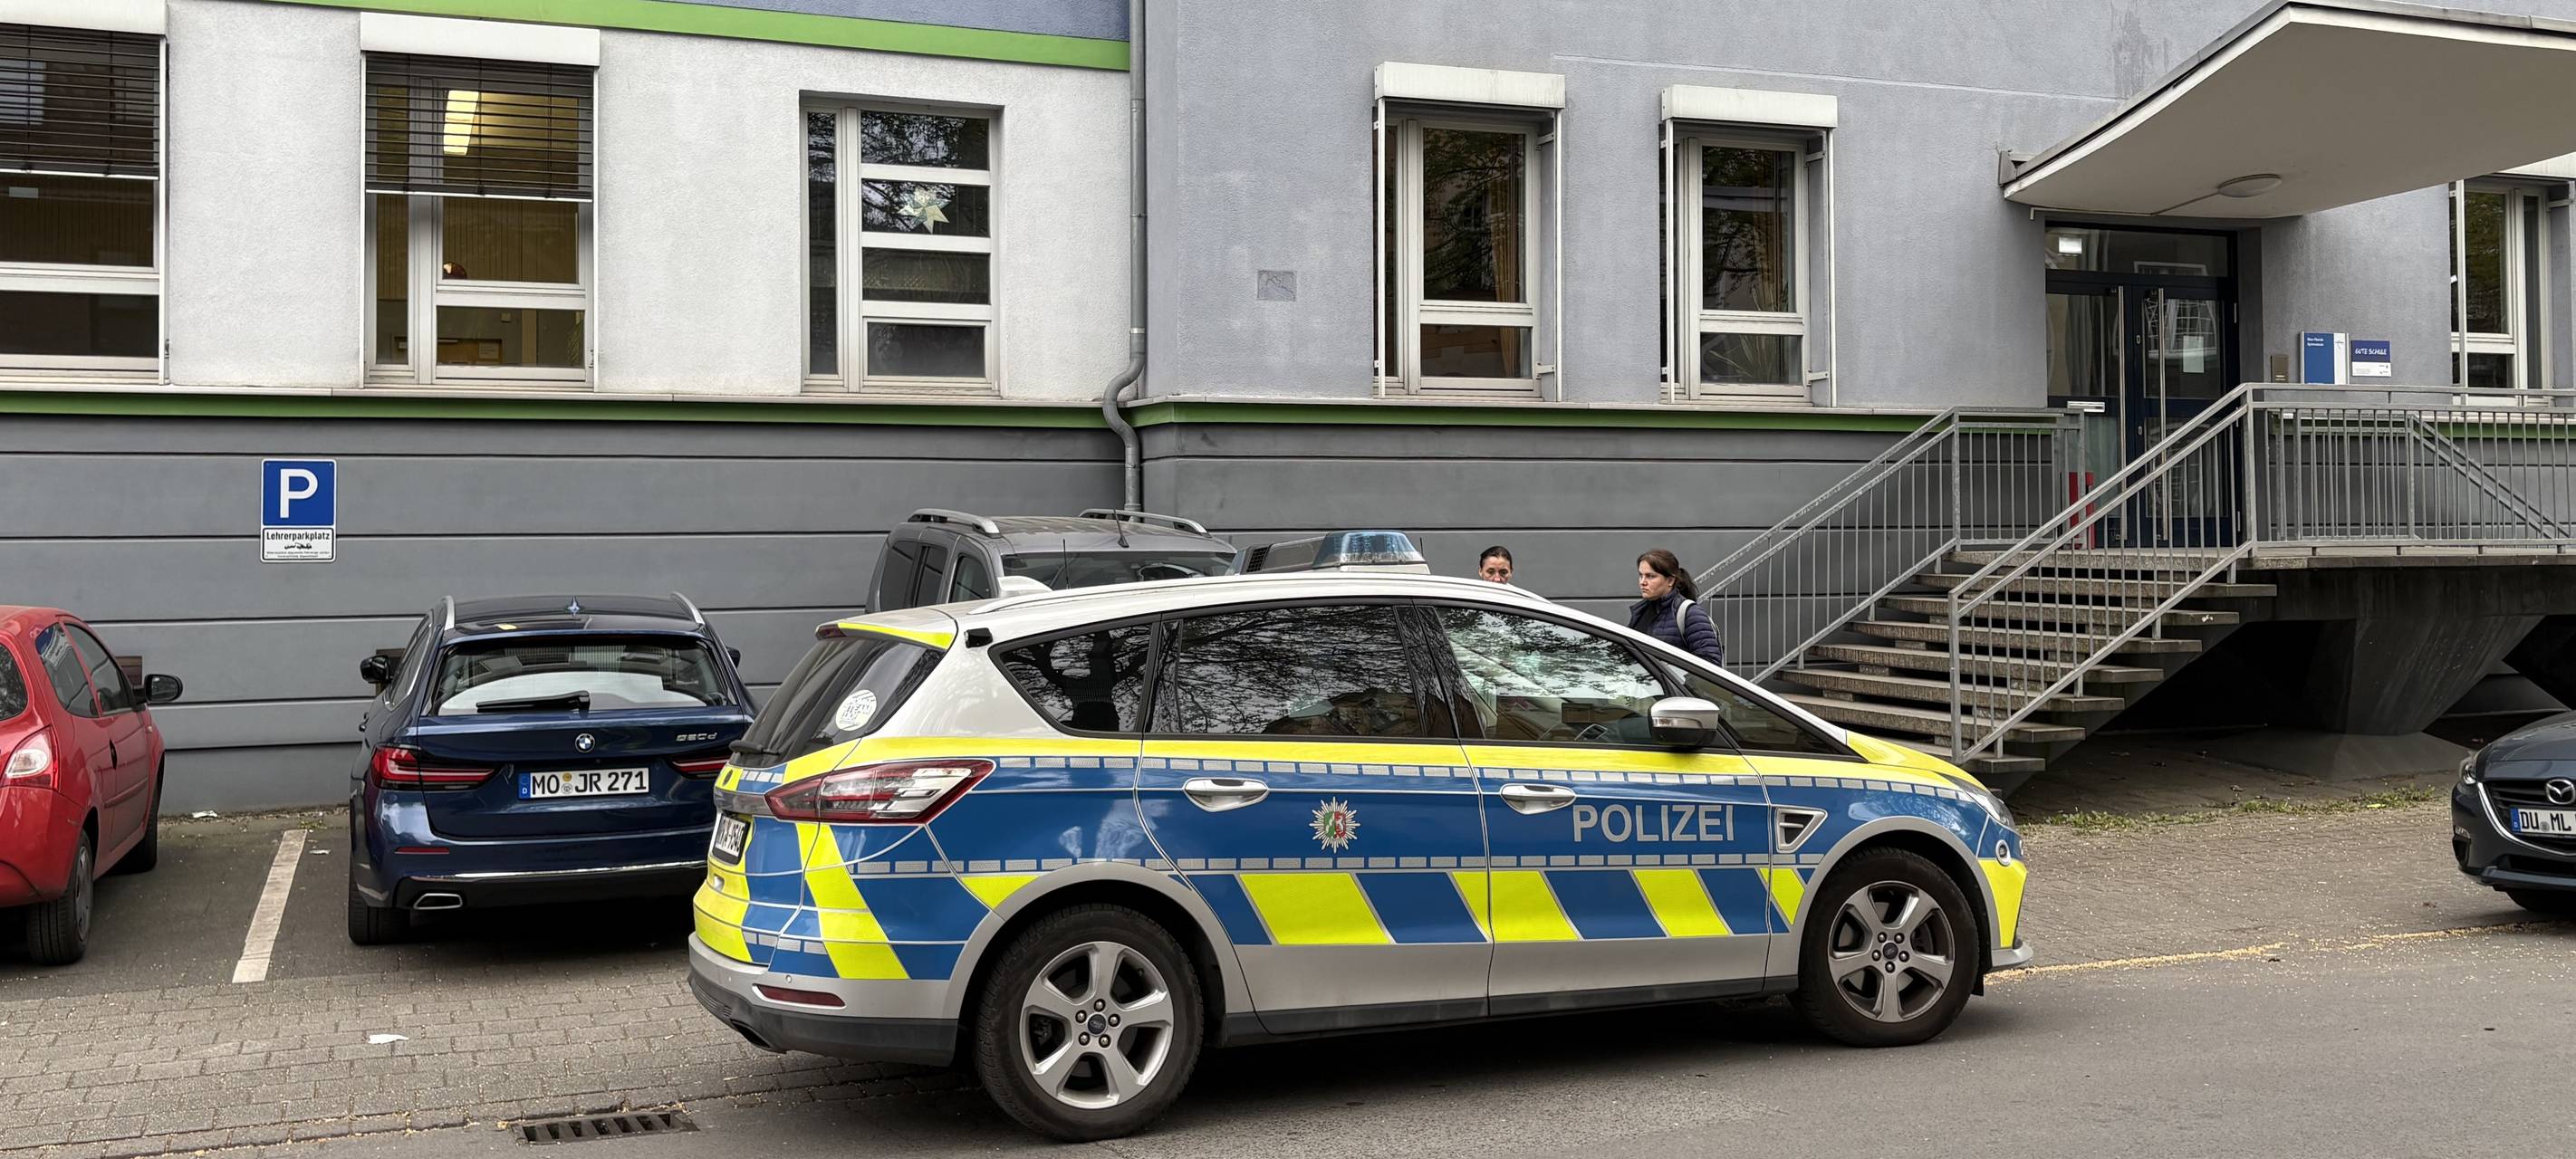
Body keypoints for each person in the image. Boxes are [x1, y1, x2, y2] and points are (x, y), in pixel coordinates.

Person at [1629, 549, 1724, 666]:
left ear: (1670, 580)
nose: (1643, 582)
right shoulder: (1640, 612)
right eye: (1641, 575)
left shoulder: (1690, 614)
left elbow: (1710, 665)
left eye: (1650, 576)